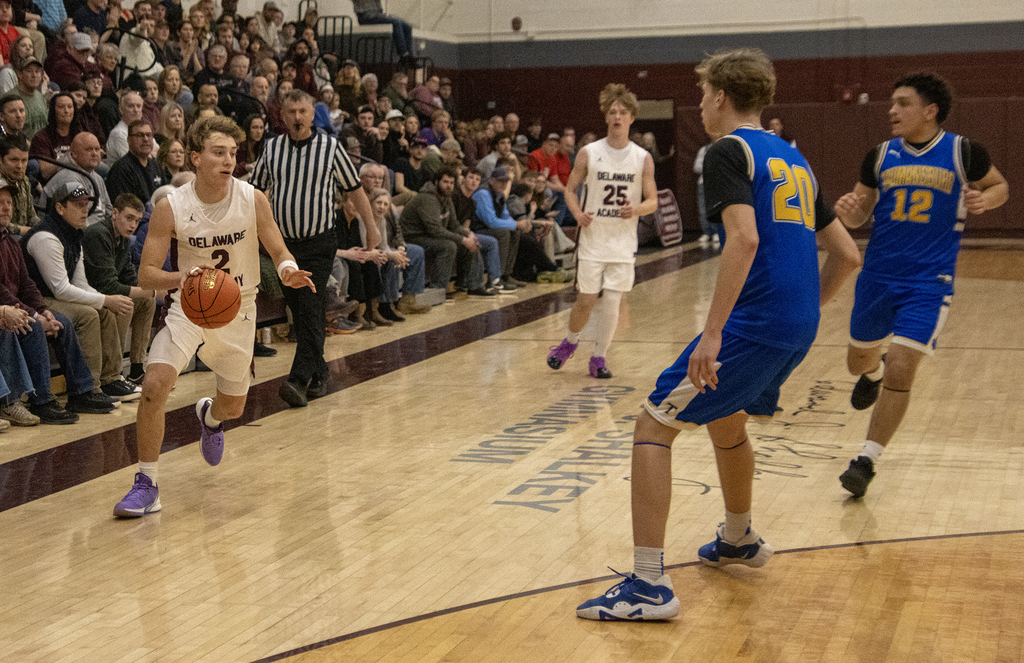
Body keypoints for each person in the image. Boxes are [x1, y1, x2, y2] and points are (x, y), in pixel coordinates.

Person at [575, 51, 860, 621]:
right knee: (726, 419)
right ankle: (737, 539)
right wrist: (803, 311)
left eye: (703, 94)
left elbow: (745, 239)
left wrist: (712, 333)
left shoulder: (729, 150)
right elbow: (848, 253)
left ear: (722, 97)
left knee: (654, 423)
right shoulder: (793, 160)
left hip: (754, 323)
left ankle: (648, 585)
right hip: (794, 324)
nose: (701, 103)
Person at [112, 115, 314, 518]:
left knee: (233, 408)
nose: (228, 161)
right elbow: (146, 273)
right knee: (154, 385)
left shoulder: (252, 198)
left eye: (234, 154)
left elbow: (278, 249)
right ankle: (146, 484)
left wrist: (288, 268)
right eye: (219, 153)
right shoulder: (171, 207)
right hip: (189, 308)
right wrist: (181, 277)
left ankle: (210, 417)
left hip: (238, 309)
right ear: (196, 157)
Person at [833, 72, 1009, 498]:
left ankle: (867, 459)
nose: (892, 110)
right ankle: (869, 376)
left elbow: (1000, 185)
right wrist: (848, 211)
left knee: (903, 364)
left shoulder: (964, 151)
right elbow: (860, 215)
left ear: (930, 111)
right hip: (877, 277)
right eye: (892, 102)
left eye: (902, 102)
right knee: (858, 362)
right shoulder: (878, 156)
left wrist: (987, 200)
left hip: (929, 281)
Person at [250, 89, 375, 409]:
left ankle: (297, 379)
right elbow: (254, 192)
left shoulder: (330, 147)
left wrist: (371, 226)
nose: (297, 117)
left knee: (308, 308)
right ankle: (320, 374)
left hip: (319, 243)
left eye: (302, 111)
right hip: (283, 246)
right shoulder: (273, 148)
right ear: (282, 115)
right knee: (306, 311)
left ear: (312, 113)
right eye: (290, 112)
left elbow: (355, 190)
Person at [545, 84, 657, 380]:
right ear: (606, 117)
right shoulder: (589, 152)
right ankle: (570, 341)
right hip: (594, 240)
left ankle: (599, 357)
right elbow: (569, 190)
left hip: (622, 242)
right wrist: (578, 213)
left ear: (632, 117)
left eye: (622, 112)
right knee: (586, 300)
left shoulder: (642, 157)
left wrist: (637, 209)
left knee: (613, 302)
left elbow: (653, 200)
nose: (617, 116)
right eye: (612, 112)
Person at [22, 180, 141, 404]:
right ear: (60, 208)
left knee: (103, 311)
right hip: (37, 300)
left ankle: (110, 379)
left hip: (53, 296)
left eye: (86, 204)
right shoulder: (46, 237)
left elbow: (80, 284)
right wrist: (104, 298)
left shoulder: (74, 235)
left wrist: (104, 301)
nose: (85, 209)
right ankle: (87, 389)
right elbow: (61, 289)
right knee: (89, 314)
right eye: (77, 204)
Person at [82, 194, 155, 385]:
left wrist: (148, 290)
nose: (133, 225)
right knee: (125, 304)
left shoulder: (123, 238)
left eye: (137, 220)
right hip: (90, 293)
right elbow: (108, 285)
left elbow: (128, 275)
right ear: (114, 213)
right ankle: (114, 374)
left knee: (147, 301)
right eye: (129, 218)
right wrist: (153, 290)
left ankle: (137, 369)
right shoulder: (99, 234)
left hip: (105, 292)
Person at [42, 132, 112, 226]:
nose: (94, 154)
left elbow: (108, 209)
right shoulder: (69, 179)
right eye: (89, 149)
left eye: (97, 149)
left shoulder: (97, 178)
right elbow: (76, 222)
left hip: (98, 228)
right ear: (74, 153)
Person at [105, 120, 164, 203]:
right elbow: (125, 206)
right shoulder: (122, 169)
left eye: (148, 135)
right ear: (129, 140)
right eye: (140, 135)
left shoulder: (156, 165)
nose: (146, 139)